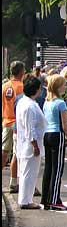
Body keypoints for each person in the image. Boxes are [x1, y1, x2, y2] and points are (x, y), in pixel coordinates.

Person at [41, 74, 67, 211]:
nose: (65, 87)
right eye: (64, 85)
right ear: (58, 87)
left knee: (48, 167)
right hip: (57, 135)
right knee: (57, 169)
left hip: (46, 134)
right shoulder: (61, 103)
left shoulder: (46, 102)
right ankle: (54, 199)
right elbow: (65, 125)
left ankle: (46, 199)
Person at [15, 76, 46, 209]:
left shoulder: (26, 102)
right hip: (30, 145)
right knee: (29, 172)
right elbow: (30, 128)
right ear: (36, 90)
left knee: (27, 172)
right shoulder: (28, 106)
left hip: (28, 143)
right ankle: (25, 200)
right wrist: (35, 145)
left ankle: (26, 199)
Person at [2, 61, 25, 193]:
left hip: (6, 122)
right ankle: (14, 182)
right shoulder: (22, 87)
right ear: (21, 72)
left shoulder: (4, 86)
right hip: (18, 124)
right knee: (17, 153)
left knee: (4, 152)